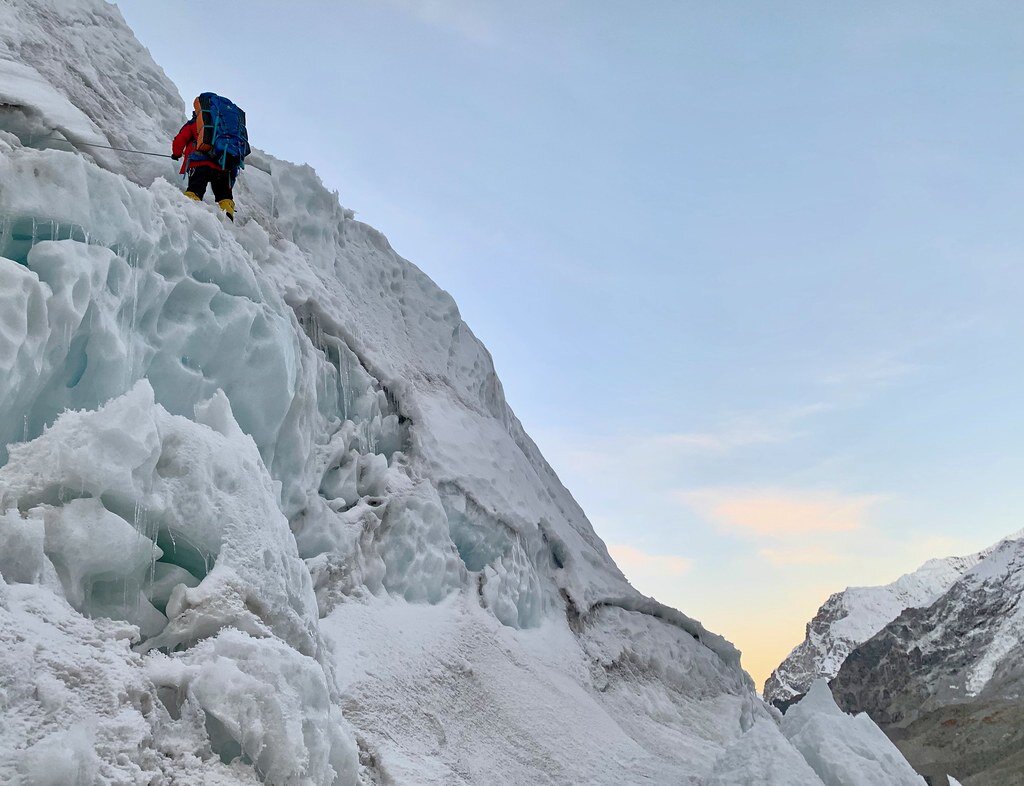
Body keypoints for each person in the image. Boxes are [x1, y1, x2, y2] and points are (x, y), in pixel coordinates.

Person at [171, 111, 238, 221]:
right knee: (224, 195)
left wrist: (176, 154)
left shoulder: (198, 122)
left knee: (195, 190)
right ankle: (227, 220)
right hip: (222, 167)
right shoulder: (227, 128)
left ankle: (189, 216)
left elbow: (181, 138)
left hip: (199, 163)